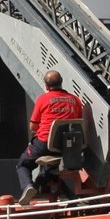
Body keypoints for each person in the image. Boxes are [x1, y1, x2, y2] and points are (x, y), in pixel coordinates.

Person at [16, 70, 84, 204]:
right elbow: (78, 121)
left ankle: (28, 187)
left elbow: (33, 127)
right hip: (66, 147)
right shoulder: (75, 100)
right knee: (50, 167)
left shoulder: (43, 99)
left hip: (44, 142)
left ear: (46, 86)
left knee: (23, 164)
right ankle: (36, 186)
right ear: (61, 83)